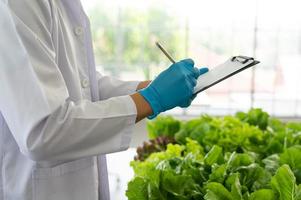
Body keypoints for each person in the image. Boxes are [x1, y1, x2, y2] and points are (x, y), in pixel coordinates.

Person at [0, 0, 208, 199]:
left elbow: (83, 85)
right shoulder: (19, 4)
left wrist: (150, 88)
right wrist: (151, 99)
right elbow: (44, 130)